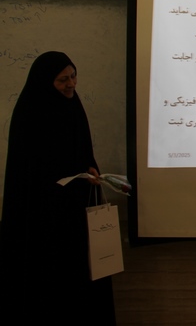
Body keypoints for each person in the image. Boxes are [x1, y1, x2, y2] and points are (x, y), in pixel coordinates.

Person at [0, 51, 116, 323]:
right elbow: (28, 168)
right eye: (62, 80)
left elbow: (82, 147)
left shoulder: (73, 104)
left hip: (74, 202)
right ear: (45, 81)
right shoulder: (29, 112)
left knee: (77, 262)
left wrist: (90, 167)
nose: (71, 84)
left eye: (73, 76)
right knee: (49, 264)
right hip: (43, 207)